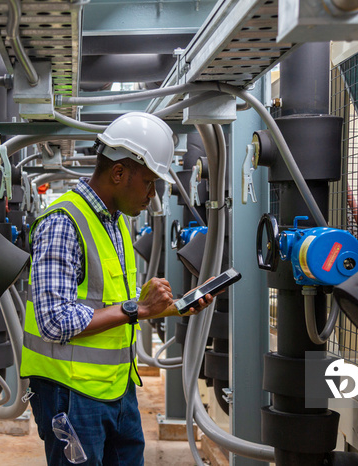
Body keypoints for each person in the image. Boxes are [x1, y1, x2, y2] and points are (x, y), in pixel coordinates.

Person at [20, 112, 214, 465]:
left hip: (116, 387)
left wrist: (170, 307)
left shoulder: (116, 223)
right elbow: (53, 321)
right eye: (148, 183)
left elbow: (108, 300)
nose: (151, 195)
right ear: (119, 173)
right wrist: (138, 310)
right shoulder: (65, 223)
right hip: (71, 394)